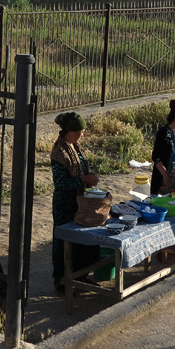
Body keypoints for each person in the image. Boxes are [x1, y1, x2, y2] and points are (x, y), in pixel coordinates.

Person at [51, 111, 100, 290]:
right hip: (65, 204)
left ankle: (80, 277)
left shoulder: (75, 147)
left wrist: (88, 177)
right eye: (81, 131)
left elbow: (81, 170)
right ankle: (62, 282)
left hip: (81, 201)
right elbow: (60, 183)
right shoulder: (59, 153)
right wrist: (84, 180)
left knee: (82, 242)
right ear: (71, 131)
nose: (83, 134)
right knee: (64, 243)